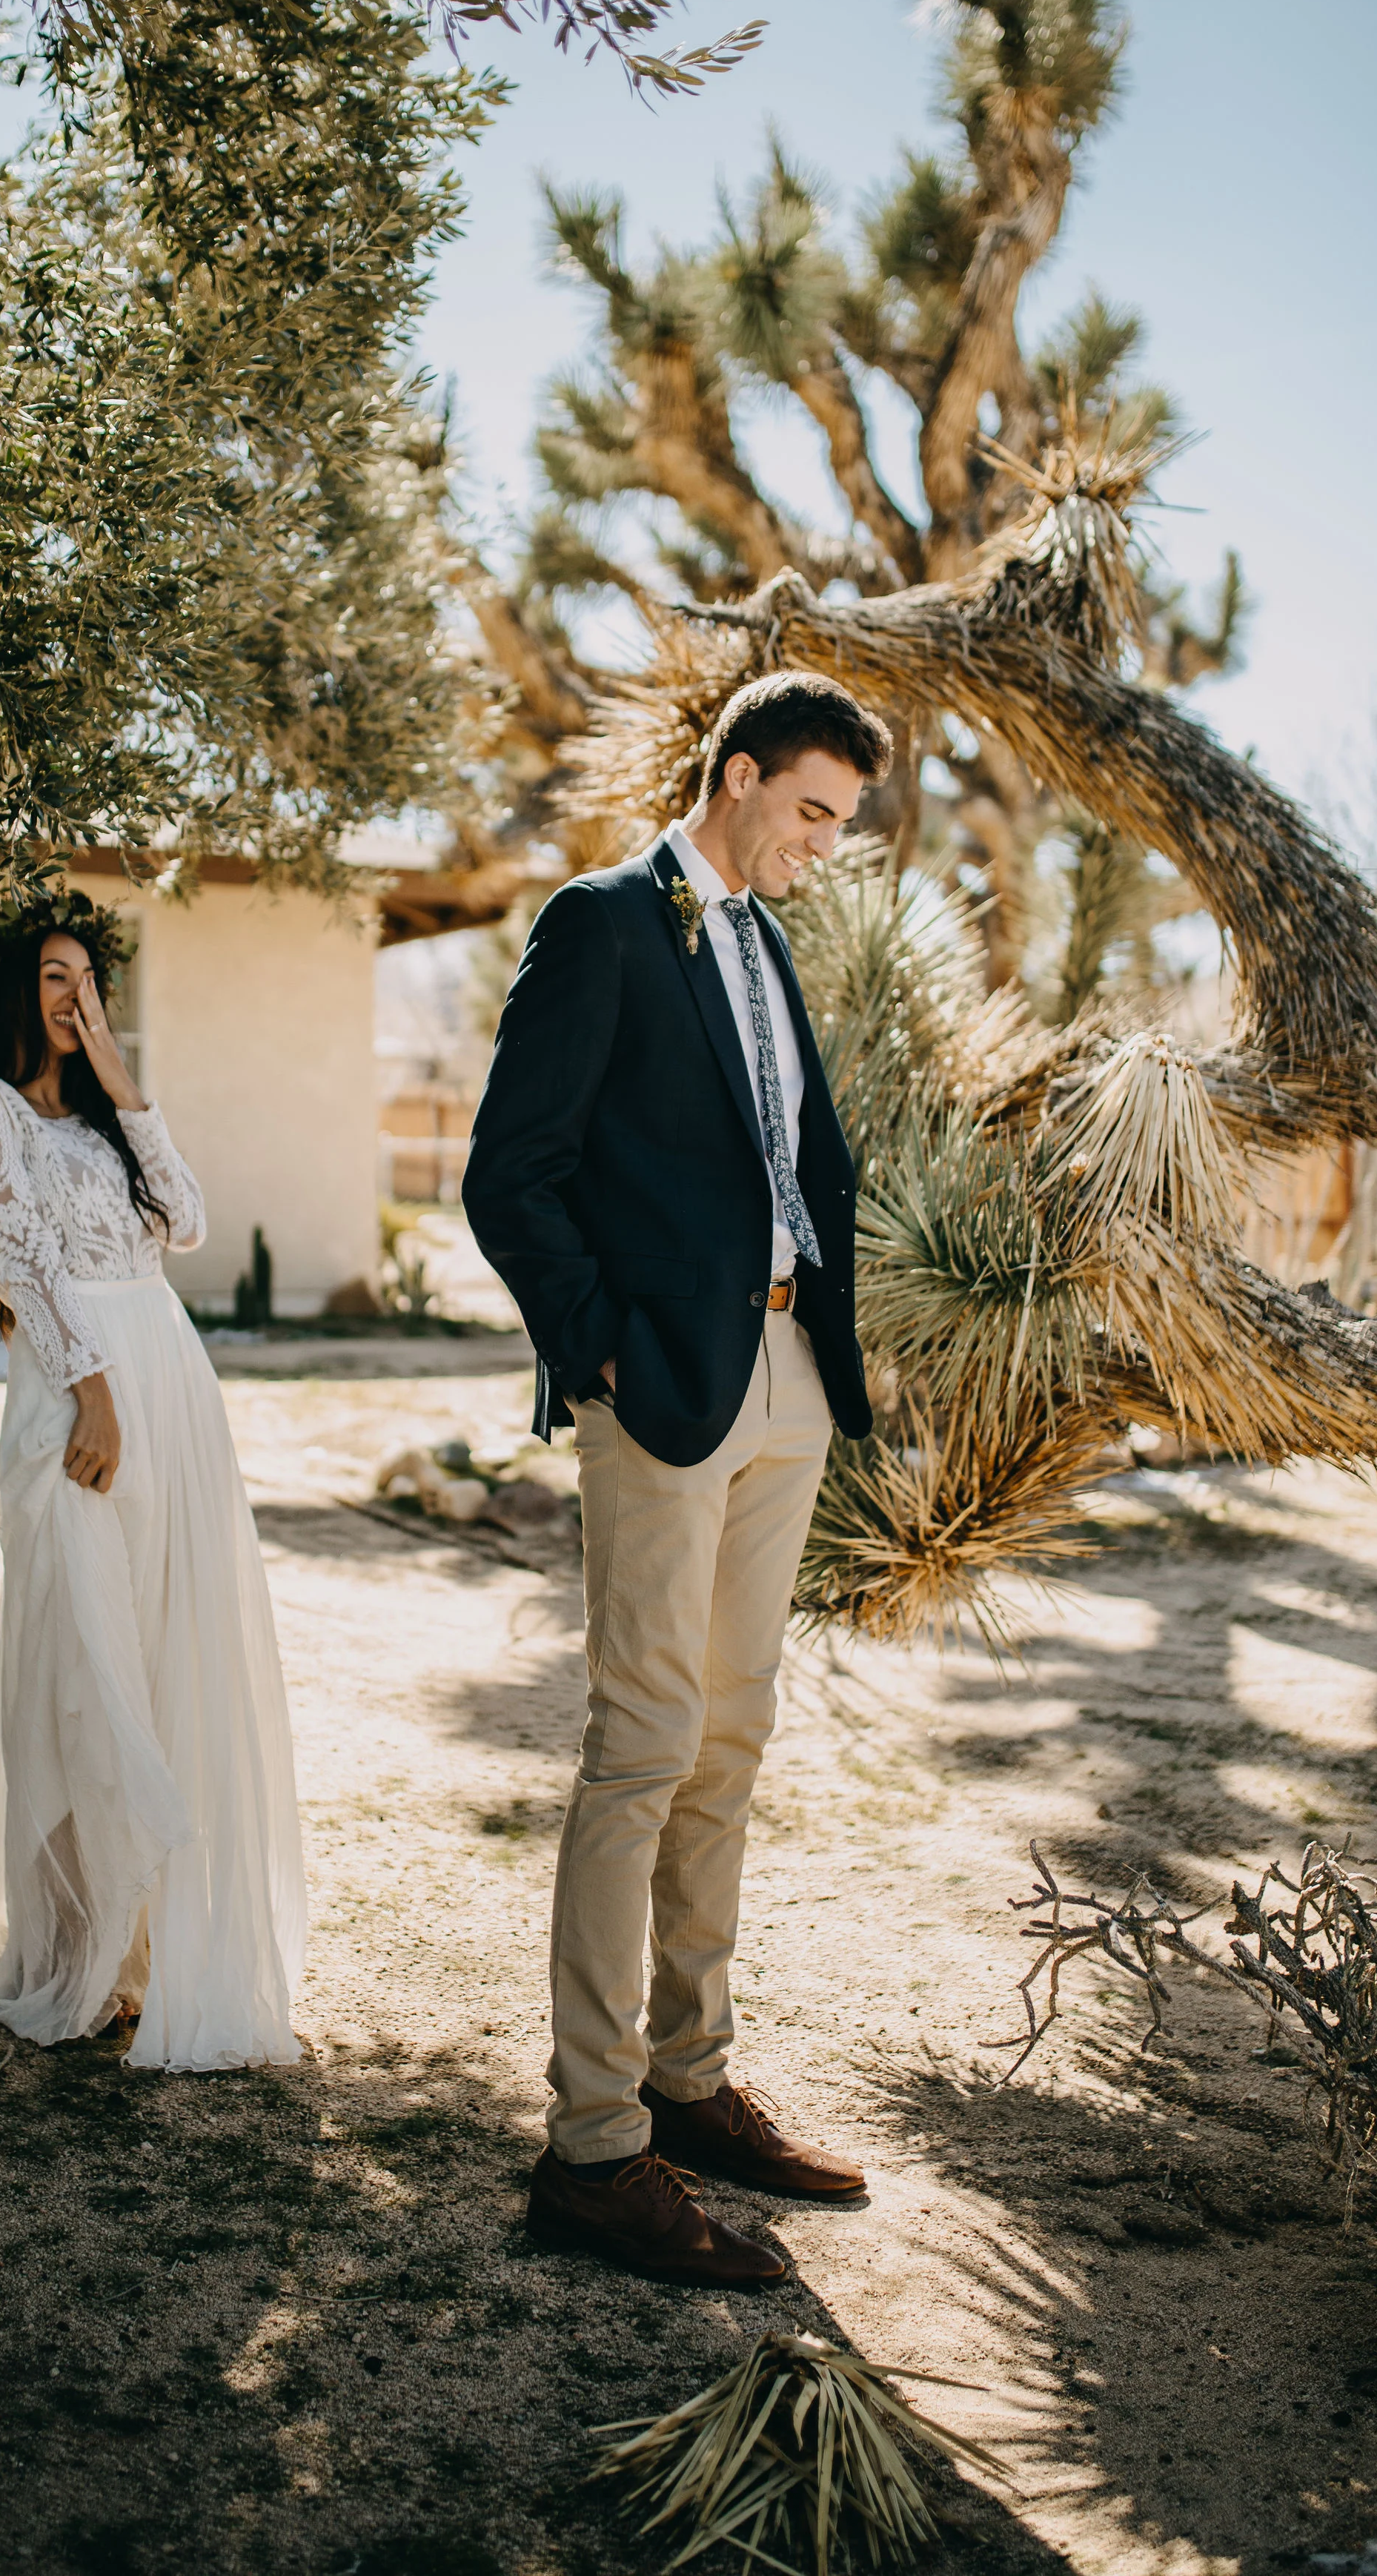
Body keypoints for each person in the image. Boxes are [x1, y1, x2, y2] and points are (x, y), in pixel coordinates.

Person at [462, 669, 894, 2285]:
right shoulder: (601, 923)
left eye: (840, 826)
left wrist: (832, 1341)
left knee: (732, 1738)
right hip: (662, 1387)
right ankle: (592, 2149)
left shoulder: (767, 944)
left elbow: (797, 1165)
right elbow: (511, 1172)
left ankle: (687, 2081)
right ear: (738, 772)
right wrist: (600, 1352)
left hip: (787, 1381)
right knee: (641, 1747)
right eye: (810, 812)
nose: (821, 847)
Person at [0, 893, 305, 2072]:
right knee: (83, 1662)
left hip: (171, 1382)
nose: (73, 1000)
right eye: (53, 979)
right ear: (17, 991)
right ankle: (76, 1941)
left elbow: (189, 1224)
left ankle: (149, 1945)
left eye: (88, 980)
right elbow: (23, 1264)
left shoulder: (105, 1119)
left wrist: (125, 1084)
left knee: (164, 1646)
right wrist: (96, 1395)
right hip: (85, 1391)